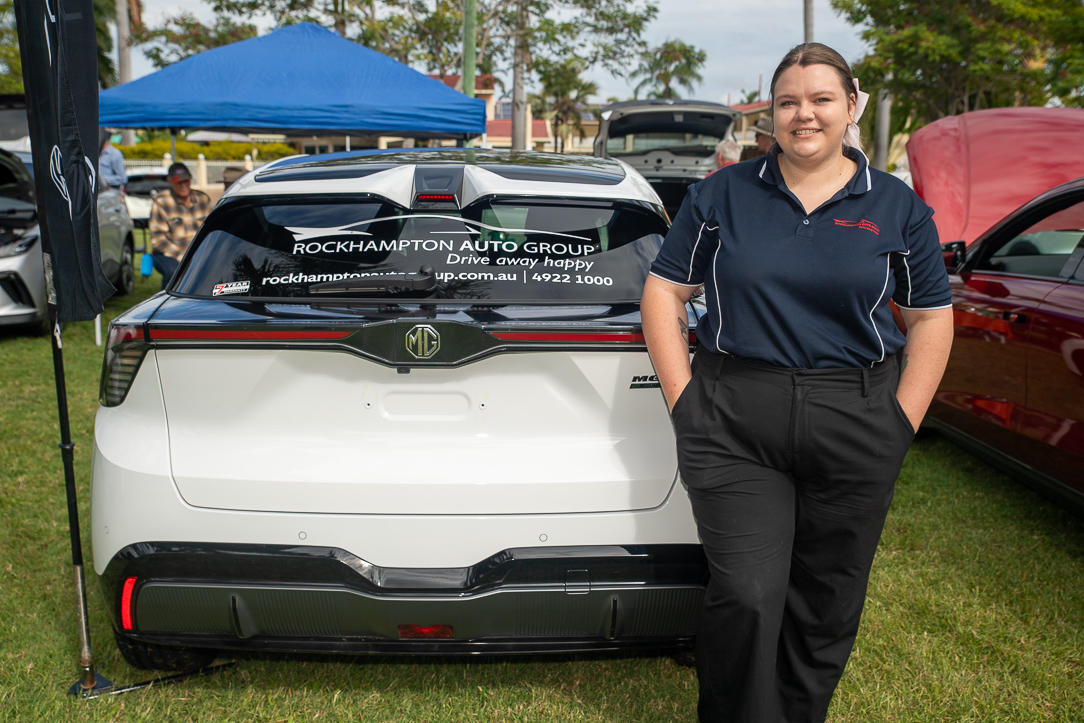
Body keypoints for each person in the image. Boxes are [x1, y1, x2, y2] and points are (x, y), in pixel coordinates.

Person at [642, 42, 953, 723]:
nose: (803, 114)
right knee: (748, 593)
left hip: (857, 414)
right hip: (734, 417)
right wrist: (686, 402)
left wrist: (901, 422)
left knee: (827, 599)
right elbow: (663, 292)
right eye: (788, 102)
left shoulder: (898, 207)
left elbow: (931, 316)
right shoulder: (721, 194)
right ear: (771, 113)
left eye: (820, 99)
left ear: (851, 106)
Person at [148, 162, 212, 289]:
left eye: (186, 181)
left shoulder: (202, 199)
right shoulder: (161, 201)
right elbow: (157, 239)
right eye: (179, 182)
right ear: (170, 181)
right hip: (170, 253)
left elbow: (211, 230)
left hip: (199, 252)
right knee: (174, 272)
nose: (184, 186)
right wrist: (181, 256)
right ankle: (167, 303)